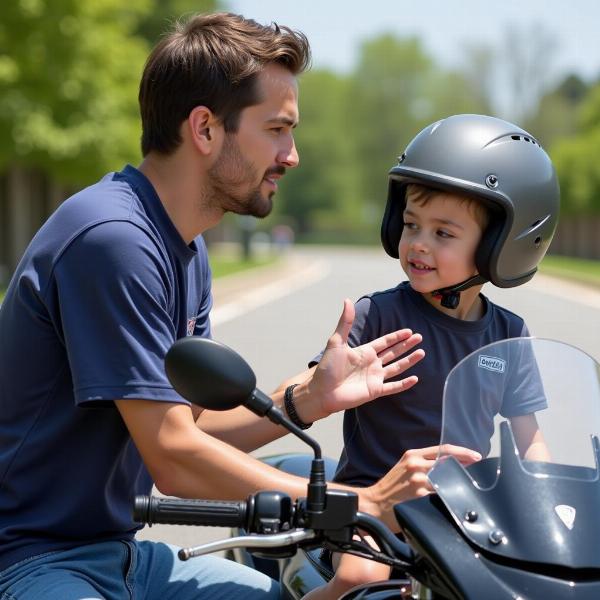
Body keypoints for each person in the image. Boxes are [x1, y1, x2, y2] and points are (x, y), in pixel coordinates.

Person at [0, 13, 482, 600]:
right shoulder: (112, 238)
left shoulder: (183, 247)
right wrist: (362, 503)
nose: (292, 155)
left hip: (120, 556)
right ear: (205, 128)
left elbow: (193, 429)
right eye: (278, 129)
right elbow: (174, 459)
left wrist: (308, 399)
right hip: (33, 560)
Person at [291, 114, 560, 599]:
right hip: (373, 503)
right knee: (360, 578)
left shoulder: (509, 334)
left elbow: (530, 438)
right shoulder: (377, 314)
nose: (417, 243)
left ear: (502, 245)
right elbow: (320, 387)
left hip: (465, 511)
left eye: (443, 233)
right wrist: (316, 390)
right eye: (411, 224)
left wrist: (550, 501)